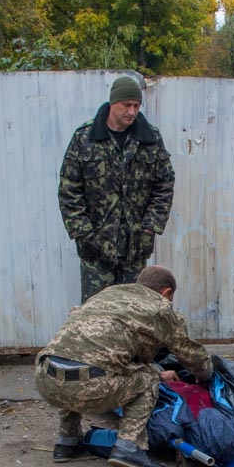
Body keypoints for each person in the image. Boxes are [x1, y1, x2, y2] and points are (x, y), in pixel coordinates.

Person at [34, 265, 212, 467]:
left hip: (45, 379)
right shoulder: (160, 308)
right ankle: (129, 447)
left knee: (75, 362)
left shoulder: (107, 294)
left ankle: (67, 442)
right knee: (145, 379)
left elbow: (95, 349)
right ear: (166, 292)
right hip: (90, 386)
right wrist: (206, 375)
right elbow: (191, 354)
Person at [58, 75, 175, 301]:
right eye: (126, 105)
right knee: (97, 315)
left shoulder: (150, 139)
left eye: (136, 105)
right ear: (113, 103)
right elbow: (69, 189)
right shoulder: (85, 138)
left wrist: (150, 228)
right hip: (96, 246)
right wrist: (83, 233)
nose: (132, 112)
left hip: (135, 245)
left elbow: (165, 184)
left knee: (134, 313)